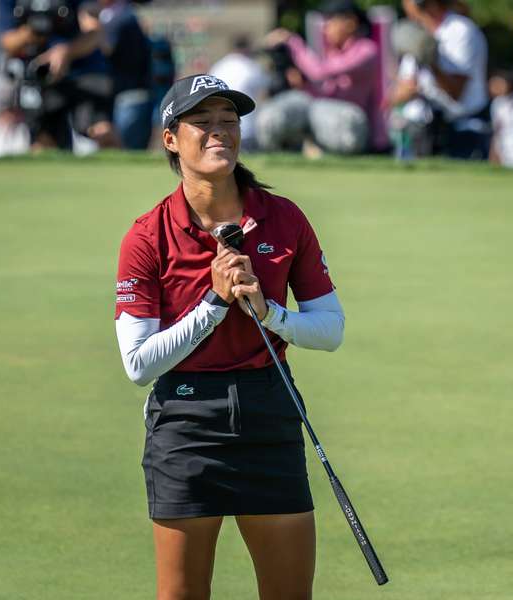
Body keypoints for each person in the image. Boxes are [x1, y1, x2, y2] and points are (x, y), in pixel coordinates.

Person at [114, 73, 345, 600]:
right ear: (171, 139)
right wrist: (214, 304)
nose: (219, 131)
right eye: (203, 122)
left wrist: (270, 314)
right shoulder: (147, 236)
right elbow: (138, 365)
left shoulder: (284, 218)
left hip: (270, 408)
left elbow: (330, 330)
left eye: (229, 120)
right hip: (185, 422)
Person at [257, 0, 379, 155]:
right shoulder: (332, 51)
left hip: (348, 121)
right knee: (274, 115)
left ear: (350, 22)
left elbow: (319, 72)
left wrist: (292, 42)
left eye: (331, 20)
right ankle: (283, 151)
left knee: (344, 123)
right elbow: (321, 87)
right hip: (321, 113)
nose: (325, 26)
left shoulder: (367, 50)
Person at [0, 0, 116, 149]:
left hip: (84, 72)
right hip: (41, 77)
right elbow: (6, 41)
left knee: (100, 132)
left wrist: (66, 51)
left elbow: (94, 33)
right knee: (43, 142)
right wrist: (30, 32)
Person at [389, 0, 489, 159]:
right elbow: (401, 90)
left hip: (462, 131)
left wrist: (432, 63)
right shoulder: (417, 32)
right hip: (424, 130)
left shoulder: (460, 30)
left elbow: (456, 93)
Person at [79, 0, 153, 149]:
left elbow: (107, 48)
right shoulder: (119, 13)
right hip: (124, 93)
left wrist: (92, 31)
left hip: (130, 95)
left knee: (126, 149)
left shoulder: (121, 16)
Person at [210, 35, 270, 151]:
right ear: (247, 47)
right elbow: (266, 90)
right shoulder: (252, 67)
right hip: (246, 127)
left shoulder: (219, 66)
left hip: (219, 127)